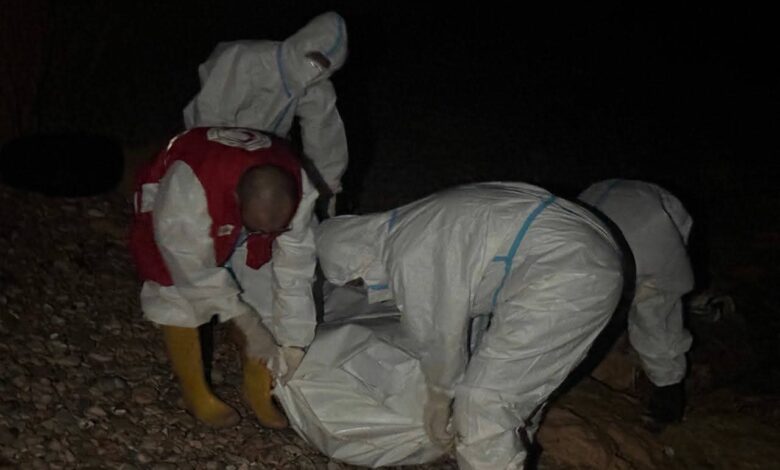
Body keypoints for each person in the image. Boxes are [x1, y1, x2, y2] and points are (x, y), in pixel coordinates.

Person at [315, 182, 625, 469]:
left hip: (566, 271)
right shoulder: (413, 223)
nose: (364, 289)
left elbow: (438, 335)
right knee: (512, 389)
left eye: (357, 282)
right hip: (583, 253)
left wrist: (439, 396)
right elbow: (468, 314)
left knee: (483, 404)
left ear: (359, 261)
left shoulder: (410, 254)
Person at [129, 126, 318, 429]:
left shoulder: (300, 188)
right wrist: (248, 325)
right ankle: (196, 394)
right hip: (180, 216)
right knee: (176, 293)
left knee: (265, 286)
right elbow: (193, 274)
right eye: (257, 228)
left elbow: (296, 269)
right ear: (235, 199)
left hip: (240, 209)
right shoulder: (187, 190)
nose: (265, 235)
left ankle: (257, 386)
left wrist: (295, 342)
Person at [183, 11, 349, 216]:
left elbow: (324, 139)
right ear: (303, 45)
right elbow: (210, 116)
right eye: (315, 61)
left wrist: (326, 190)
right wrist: (220, 164)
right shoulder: (246, 60)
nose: (315, 70)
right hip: (215, 143)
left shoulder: (314, 86)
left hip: (266, 151)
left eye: (325, 68)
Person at [578, 179, 695, 425]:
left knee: (654, 310)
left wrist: (668, 383)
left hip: (651, 220)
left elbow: (658, 310)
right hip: (596, 204)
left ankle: (667, 392)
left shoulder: (653, 246)